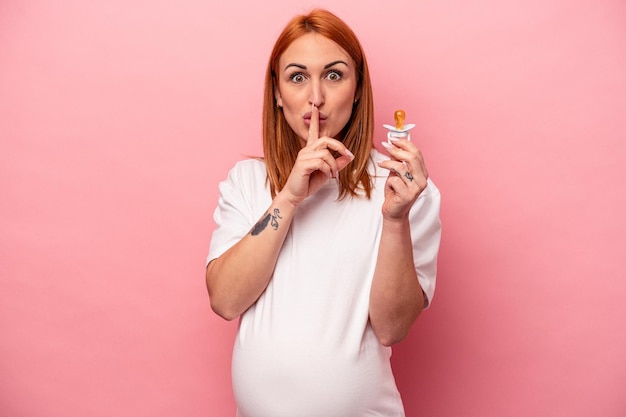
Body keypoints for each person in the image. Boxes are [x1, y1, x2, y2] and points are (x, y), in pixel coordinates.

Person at [205, 8, 441, 417]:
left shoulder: (400, 189)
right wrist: (289, 197)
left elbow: (392, 328)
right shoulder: (246, 182)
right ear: (278, 93)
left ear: (358, 88)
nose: (316, 97)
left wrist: (395, 219)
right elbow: (225, 300)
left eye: (334, 75)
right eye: (297, 77)